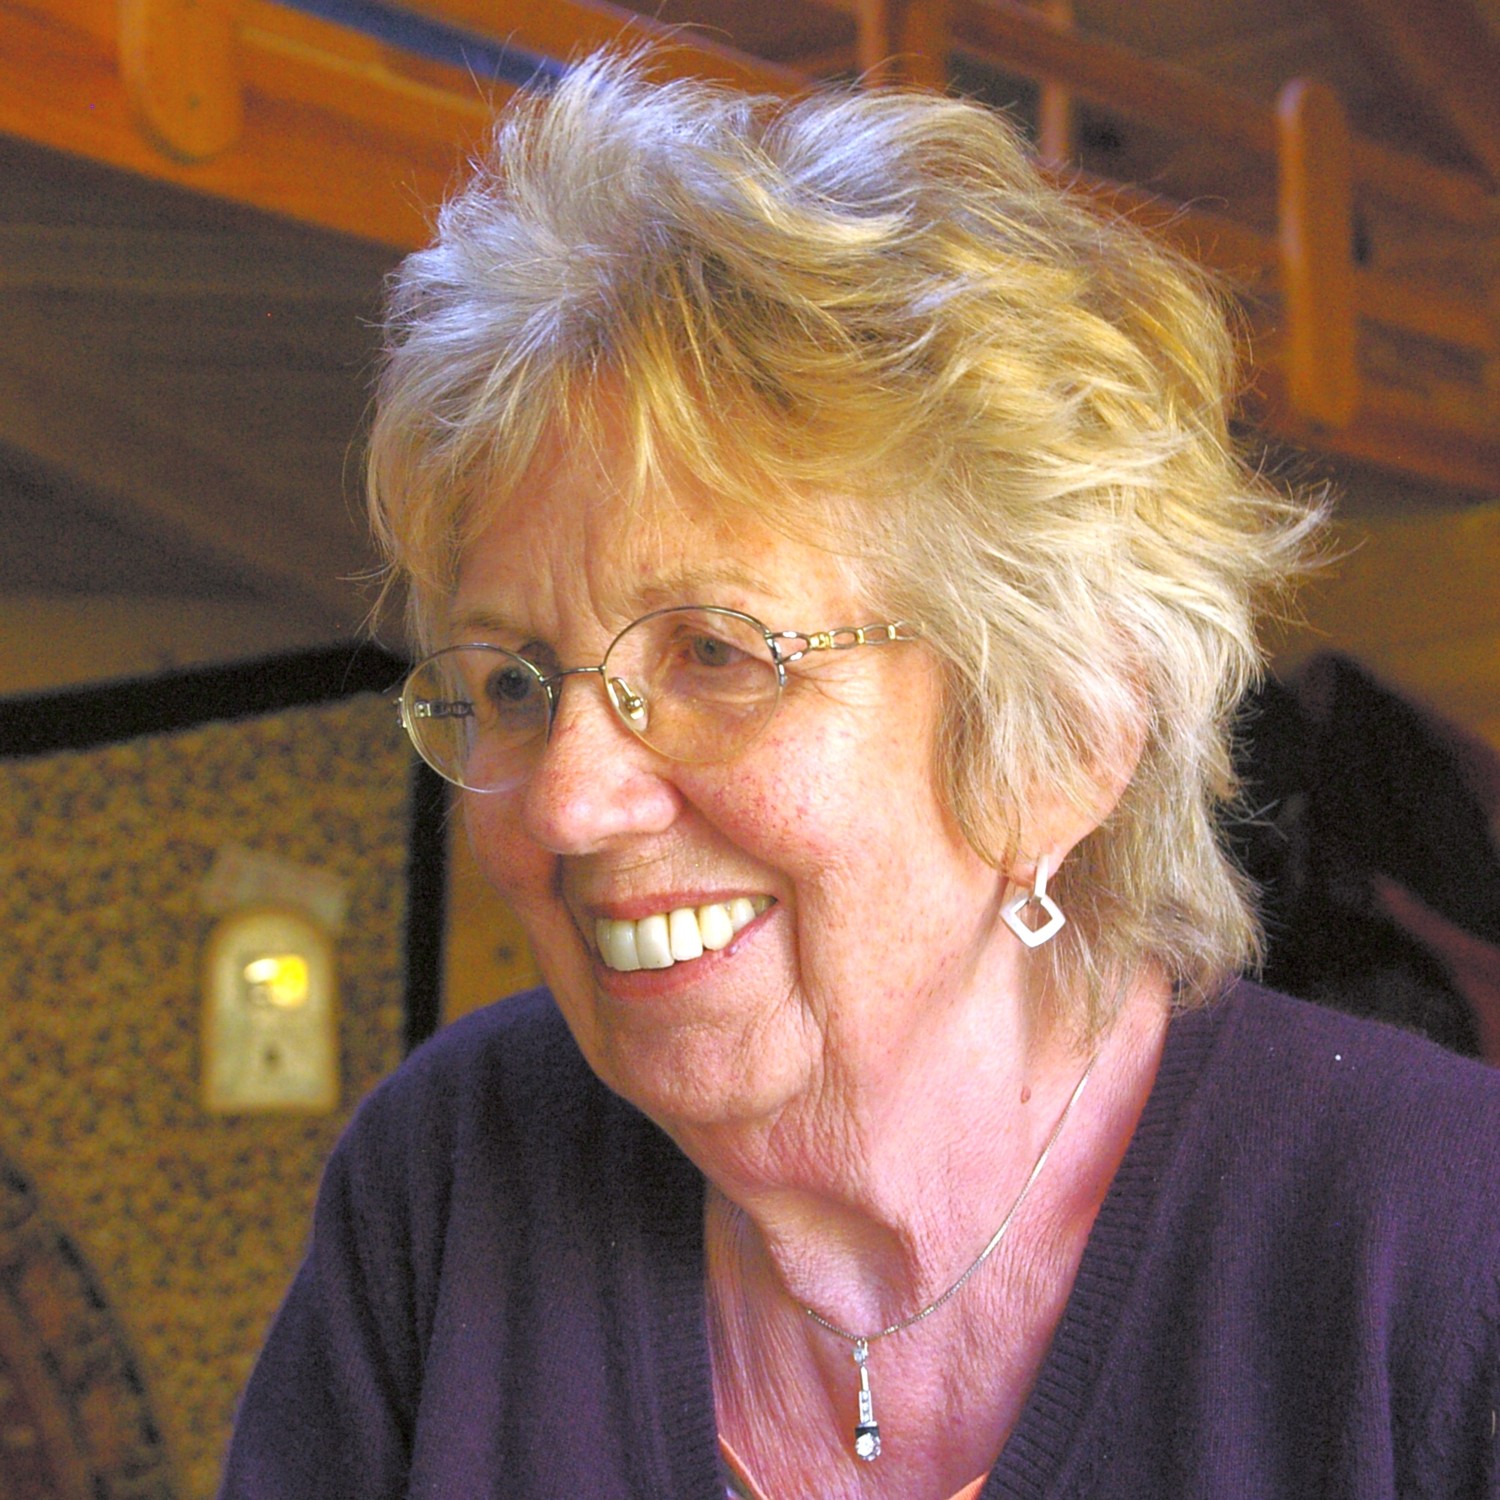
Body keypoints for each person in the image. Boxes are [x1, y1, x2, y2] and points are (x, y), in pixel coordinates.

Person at [218, 51, 1500, 1500]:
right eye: (515, 681)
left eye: (716, 654)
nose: (569, 801)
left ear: (1063, 740)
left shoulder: (1447, 1254)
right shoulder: (447, 1186)